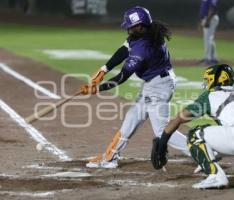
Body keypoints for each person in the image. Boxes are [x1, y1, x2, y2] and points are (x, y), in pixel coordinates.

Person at [81, 6, 190, 169]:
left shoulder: (143, 49)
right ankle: (110, 158)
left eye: (130, 26)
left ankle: (201, 150)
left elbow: (122, 77)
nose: (128, 29)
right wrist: (103, 70)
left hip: (159, 87)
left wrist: (96, 89)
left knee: (162, 132)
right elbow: (124, 50)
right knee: (132, 118)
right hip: (154, 83)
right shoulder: (144, 32)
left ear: (140, 26)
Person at [154, 64, 234, 189]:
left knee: (195, 134)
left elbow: (178, 119)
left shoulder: (210, 95)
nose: (206, 83)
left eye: (208, 79)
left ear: (216, 79)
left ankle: (215, 175)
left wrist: (163, 142)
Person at [199, 0, 219, 65]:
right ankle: (213, 58)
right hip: (206, 18)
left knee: (208, 39)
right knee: (209, 39)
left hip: (211, 18)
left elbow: (212, 9)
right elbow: (203, 9)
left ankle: (209, 59)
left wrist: (207, 21)